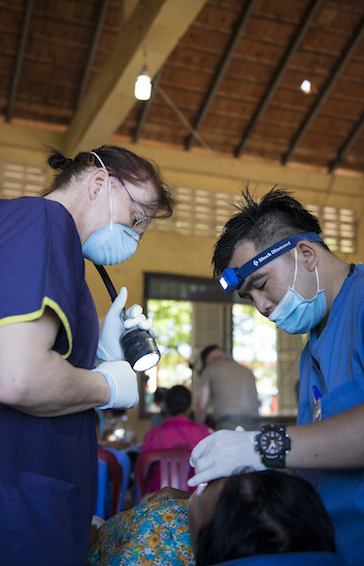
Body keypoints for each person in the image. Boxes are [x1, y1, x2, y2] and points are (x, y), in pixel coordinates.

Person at [0, 145, 173, 566]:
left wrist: (95, 357)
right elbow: (15, 375)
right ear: (98, 183)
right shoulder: (39, 222)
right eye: (136, 220)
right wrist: (108, 384)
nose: (134, 238)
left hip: (19, 500)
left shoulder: (48, 243)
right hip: (5, 507)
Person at [188, 187, 364, 566]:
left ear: (305, 254)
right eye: (250, 300)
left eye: (262, 286)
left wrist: (265, 445)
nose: (263, 308)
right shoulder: (312, 348)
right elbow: (313, 455)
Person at [87, 468, 340, 566]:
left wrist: (91, 532)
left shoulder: (141, 555)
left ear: (200, 541)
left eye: (206, 487)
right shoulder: (201, 514)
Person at [138, 385, 213, 492]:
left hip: (157, 503)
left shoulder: (152, 436)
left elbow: (140, 472)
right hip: (196, 502)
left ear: (166, 407)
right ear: (189, 408)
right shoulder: (205, 433)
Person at [196, 344, 260, 430]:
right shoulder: (247, 371)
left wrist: (197, 428)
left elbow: (201, 405)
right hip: (255, 425)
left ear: (211, 358)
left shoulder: (210, 369)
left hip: (228, 425)